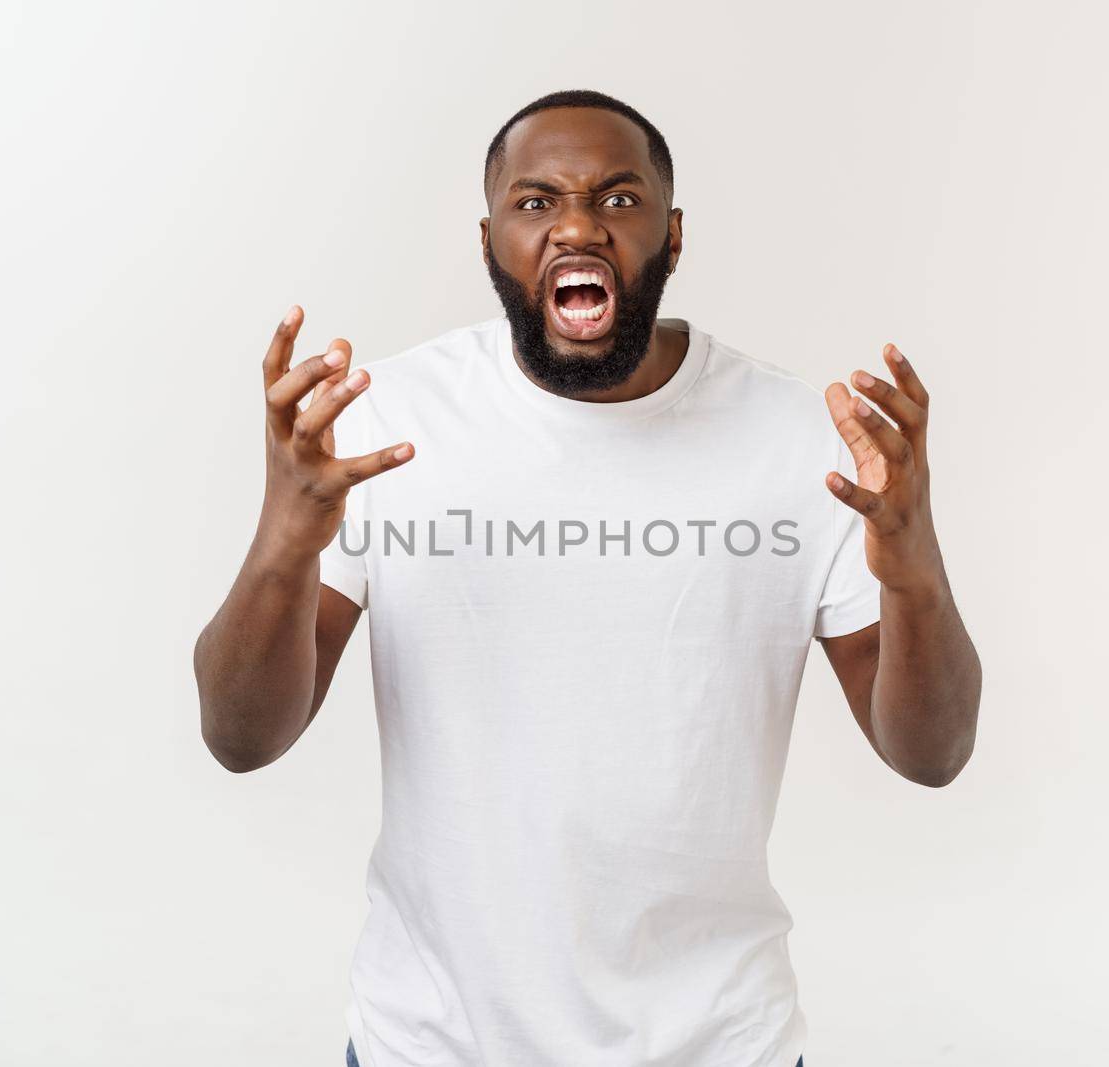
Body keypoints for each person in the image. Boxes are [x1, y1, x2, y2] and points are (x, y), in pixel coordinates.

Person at [193, 88, 982, 1067]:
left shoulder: (804, 438)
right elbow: (240, 736)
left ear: (671, 235)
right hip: (431, 1044)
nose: (577, 223)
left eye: (617, 199)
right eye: (535, 203)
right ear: (490, 244)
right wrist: (283, 540)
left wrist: (914, 570)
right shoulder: (381, 421)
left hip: (717, 1042)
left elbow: (931, 751)